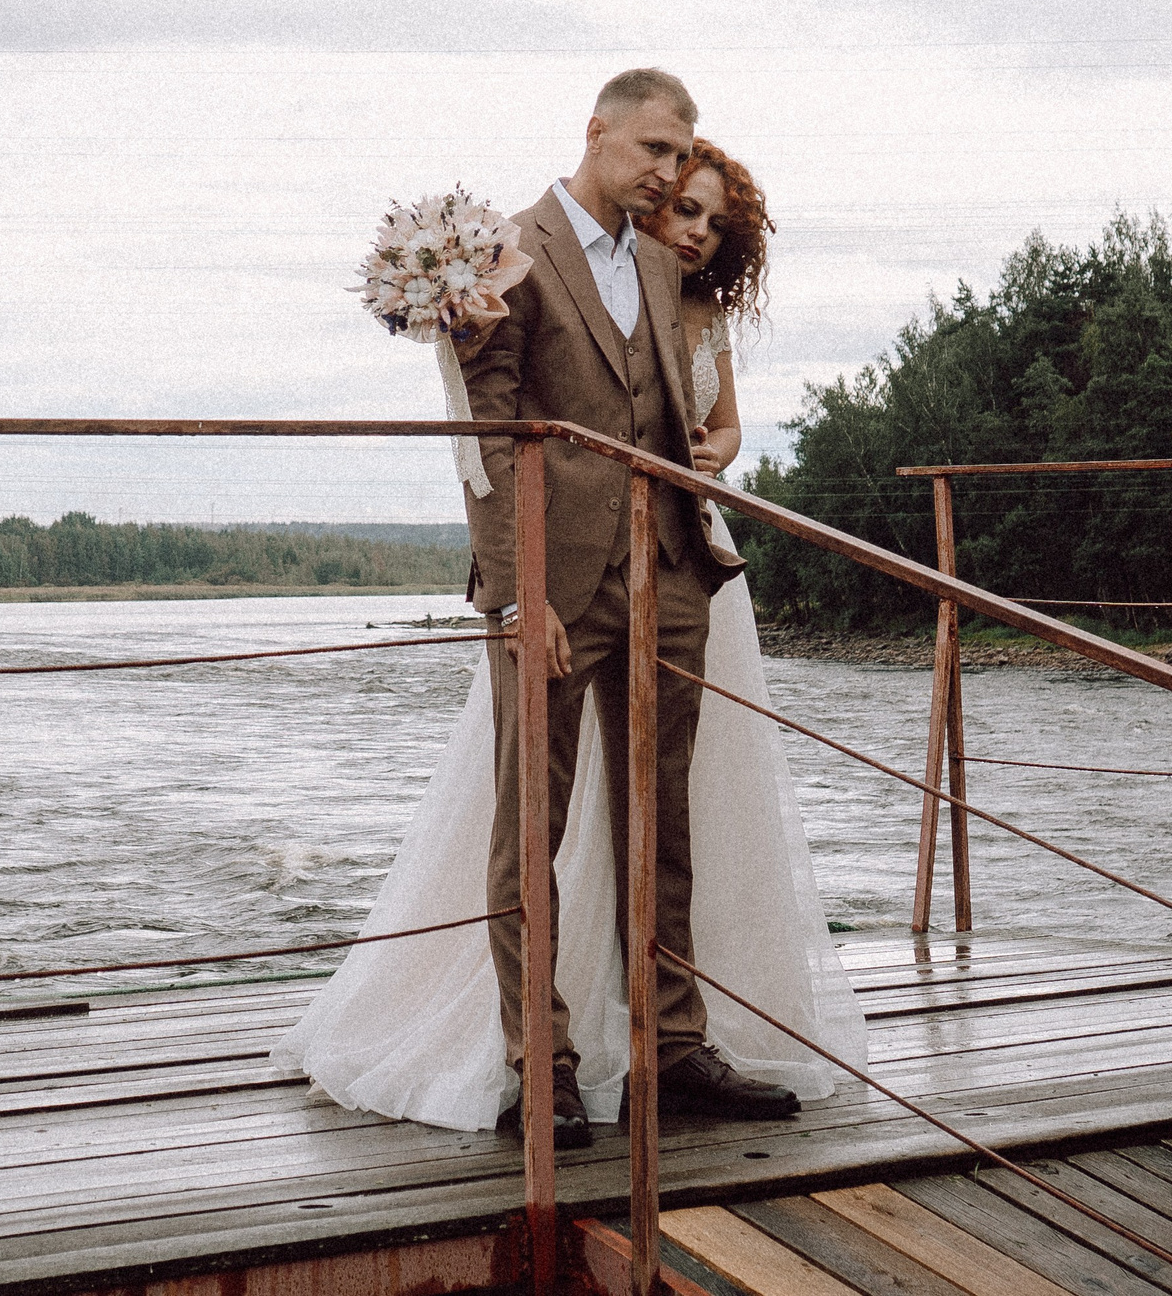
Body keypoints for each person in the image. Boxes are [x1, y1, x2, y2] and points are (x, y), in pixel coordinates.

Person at [275, 74, 867, 1145]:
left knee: (662, 822)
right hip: (556, 587)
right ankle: (537, 1060)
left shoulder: (663, 261)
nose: (660, 169)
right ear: (595, 131)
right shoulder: (505, 253)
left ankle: (669, 1051)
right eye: (647, 146)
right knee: (529, 829)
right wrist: (513, 596)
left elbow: (680, 406)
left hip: (670, 576)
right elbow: (490, 443)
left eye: (673, 150)